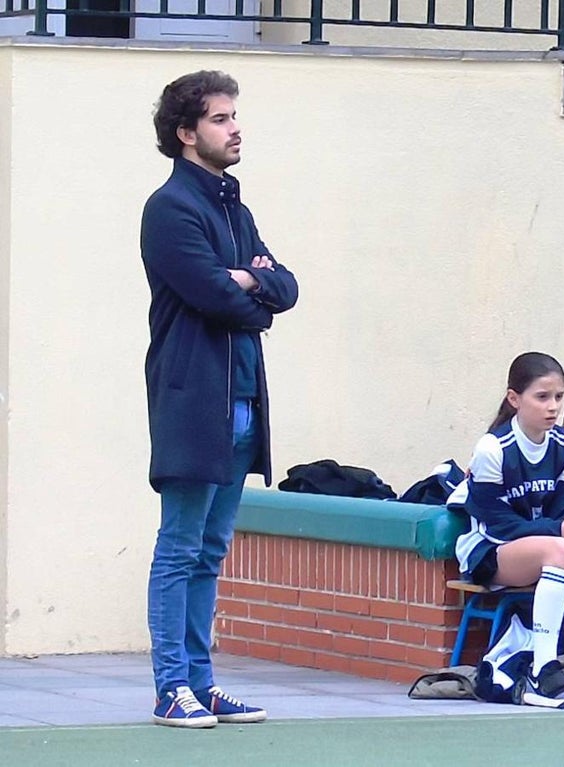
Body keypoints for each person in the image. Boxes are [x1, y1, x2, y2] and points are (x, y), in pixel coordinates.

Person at [142, 70, 298, 728]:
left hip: (242, 410)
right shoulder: (170, 208)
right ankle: (170, 687)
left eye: (235, 115)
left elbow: (284, 287)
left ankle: (202, 685)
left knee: (211, 550)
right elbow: (219, 296)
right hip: (193, 404)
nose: (235, 128)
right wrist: (246, 285)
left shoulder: (237, 208)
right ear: (186, 133)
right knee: (180, 547)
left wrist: (252, 283)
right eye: (220, 118)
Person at [450, 352, 564, 709]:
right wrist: (559, 530)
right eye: (542, 397)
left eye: (558, 397)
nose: (553, 407)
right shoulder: (493, 449)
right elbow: (498, 525)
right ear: (514, 399)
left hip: (550, 548)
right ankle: (543, 668)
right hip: (493, 551)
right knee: (560, 550)